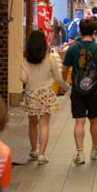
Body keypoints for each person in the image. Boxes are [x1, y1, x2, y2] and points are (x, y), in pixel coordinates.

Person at [63, 17, 97, 165]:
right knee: (94, 120)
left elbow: (64, 70)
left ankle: (79, 153)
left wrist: (65, 86)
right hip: (95, 90)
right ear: (94, 31)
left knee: (79, 122)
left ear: (80, 31)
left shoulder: (72, 48)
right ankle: (94, 149)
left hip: (77, 90)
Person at [21, 30, 62, 166]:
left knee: (32, 123)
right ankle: (42, 155)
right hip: (46, 94)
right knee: (44, 125)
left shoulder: (25, 59)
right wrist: (67, 88)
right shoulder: (50, 58)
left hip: (31, 94)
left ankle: (33, 150)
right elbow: (57, 77)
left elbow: (23, 78)